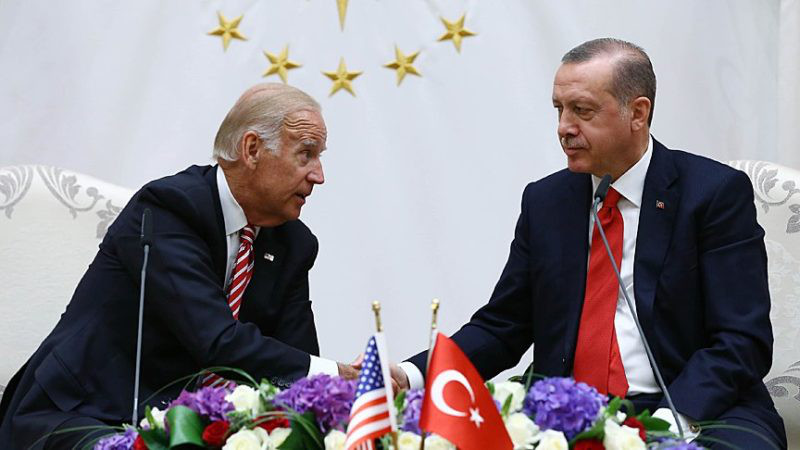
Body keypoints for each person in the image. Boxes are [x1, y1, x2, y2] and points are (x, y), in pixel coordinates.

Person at [392, 38, 787, 448]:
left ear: (637, 113)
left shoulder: (712, 195)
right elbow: (503, 327)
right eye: (559, 109)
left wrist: (666, 425)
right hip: (568, 407)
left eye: (582, 110)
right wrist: (412, 374)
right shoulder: (547, 201)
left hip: (693, 406)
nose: (564, 126)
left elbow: (742, 341)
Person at [0, 83, 358, 449]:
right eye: (306, 154)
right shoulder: (168, 208)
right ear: (252, 150)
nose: (319, 175)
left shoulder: (293, 244)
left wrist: (344, 387)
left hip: (191, 427)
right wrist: (337, 372)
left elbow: (295, 362)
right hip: (80, 413)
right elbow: (215, 340)